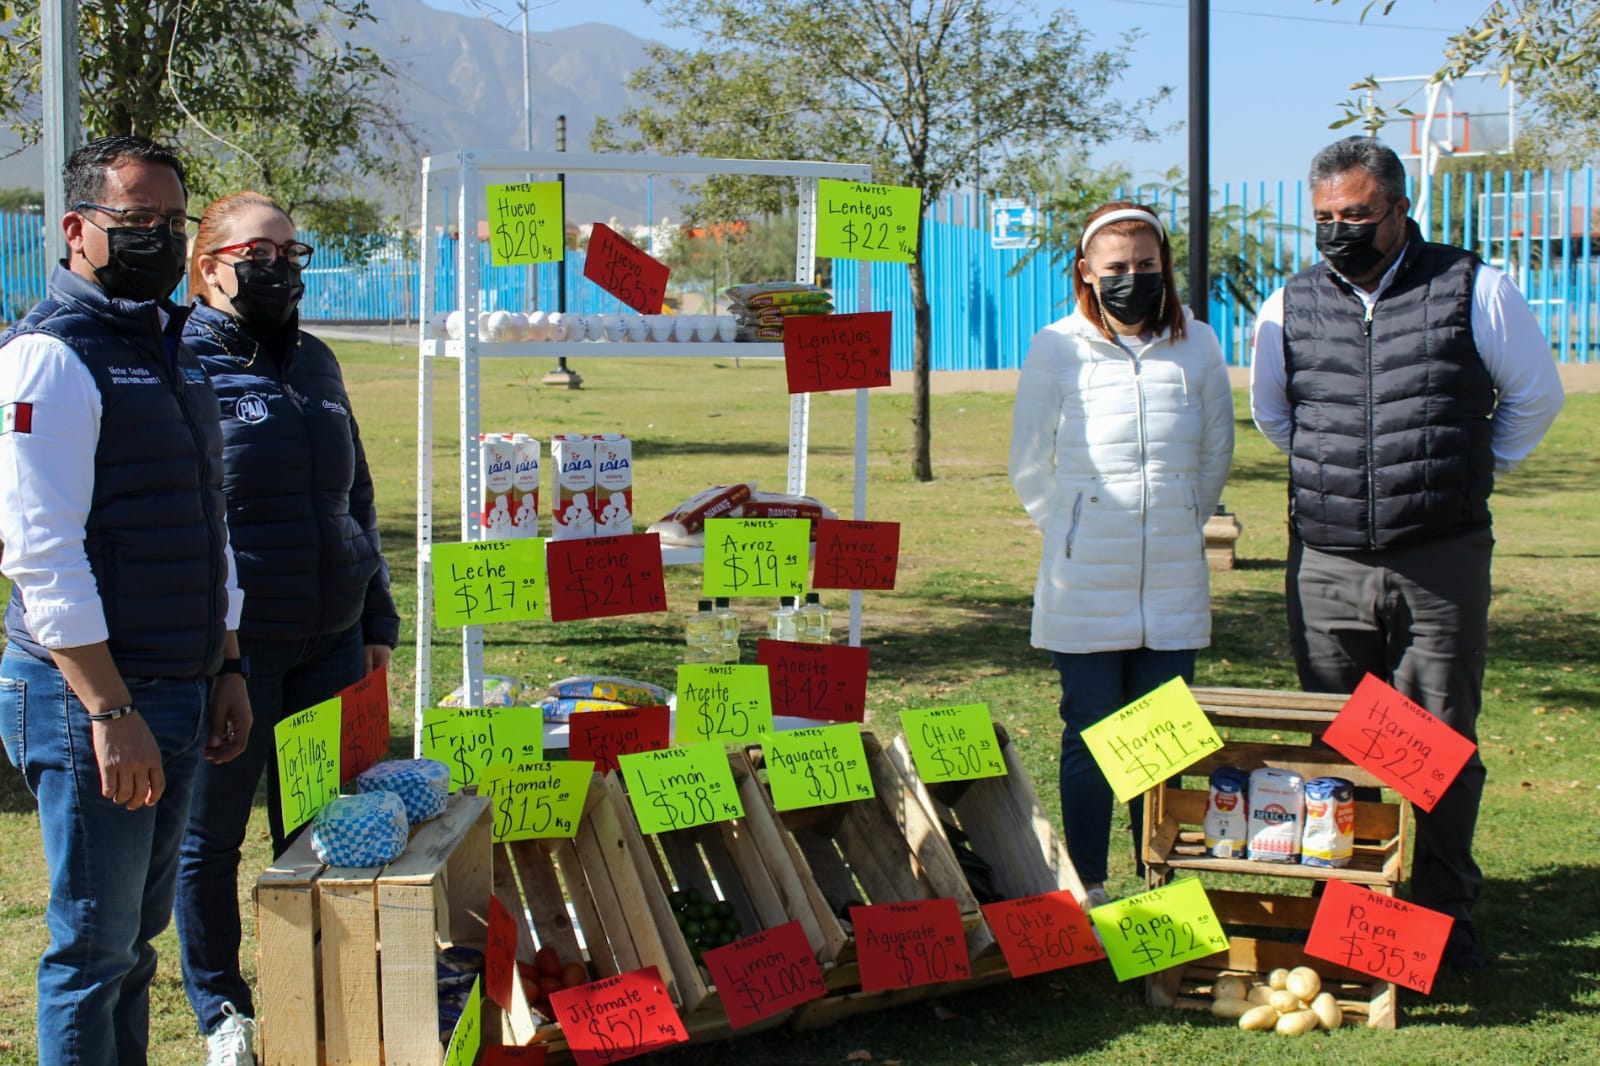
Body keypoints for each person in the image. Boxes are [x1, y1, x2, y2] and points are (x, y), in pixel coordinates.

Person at [1250, 136, 1565, 970]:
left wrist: (1467, 468)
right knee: (1340, 737)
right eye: (1323, 218)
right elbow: (1277, 419)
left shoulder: (1475, 287)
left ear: (1399, 209)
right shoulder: (1288, 305)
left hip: (1440, 557)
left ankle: (1442, 910)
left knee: (1437, 739)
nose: (1338, 231)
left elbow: (1536, 396)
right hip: (1328, 561)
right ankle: (1352, 906)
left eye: (1355, 215)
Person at [0, 135, 252, 1066]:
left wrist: (226, 663)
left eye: (171, 222)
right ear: (76, 229)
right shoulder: (48, 359)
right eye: (135, 220)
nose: (156, 237)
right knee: (93, 951)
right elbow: (40, 554)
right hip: (95, 698)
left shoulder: (172, 345)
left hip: (182, 682)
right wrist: (110, 709)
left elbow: (207, 523)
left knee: (134, 946)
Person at [173, 191, 399, 1065]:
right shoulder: (179, 361)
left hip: (331, 642)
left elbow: (359, 496)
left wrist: (376, 612)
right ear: (209, 266)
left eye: (292, 254)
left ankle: (317, 989)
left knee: (320, 829)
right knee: (212, 837)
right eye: (259, 254)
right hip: (234, 652)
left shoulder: (317, 362)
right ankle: (222, 1011)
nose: (280, 270)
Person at [1009, 202, 1235, 907]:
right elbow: (1028, 461)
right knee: (1090, 732)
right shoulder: (1057, 346)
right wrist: (1074, 529)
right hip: (1084, 579)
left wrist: (1178, 516)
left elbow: (1215, 449)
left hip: (1171, 574)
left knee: (1162, 735)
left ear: (1164, 267)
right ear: (1086, 271)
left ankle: (1156, 880)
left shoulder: (1197, 343)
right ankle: (1091, 883)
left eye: (1146, 265)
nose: (1132, 278)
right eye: (1116, 268)